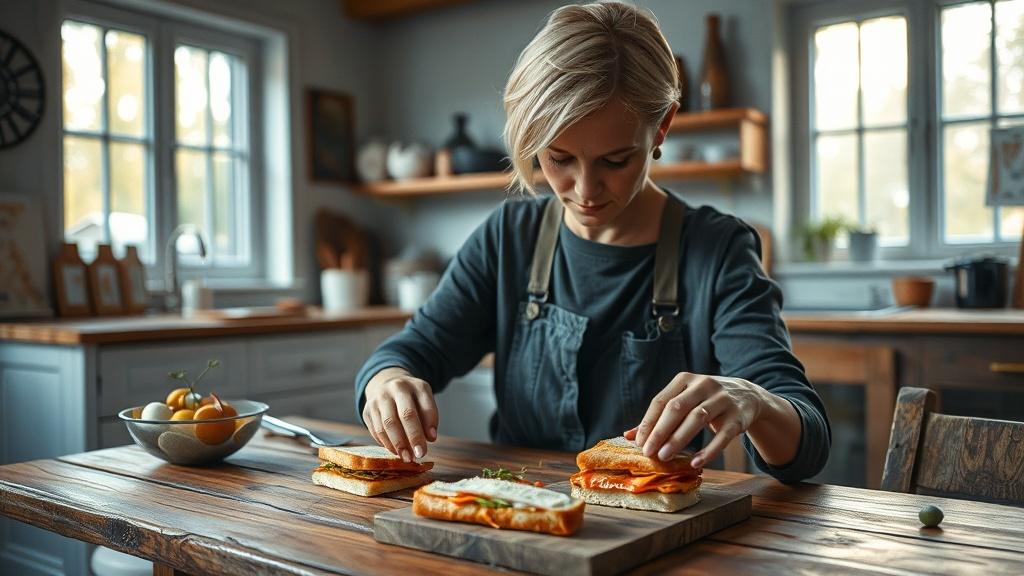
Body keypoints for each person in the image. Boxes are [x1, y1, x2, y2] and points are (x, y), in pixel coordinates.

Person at [354, 1, 830, 483]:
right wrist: (387, 382)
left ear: (662, 126)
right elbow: (409, 352)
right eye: (558, 159)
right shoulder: (507, 239)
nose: (584, 191)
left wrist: (756, 401)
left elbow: (807, 444)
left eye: (616, 161)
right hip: (516, 516)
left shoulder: (719, 249)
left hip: (653, 530)